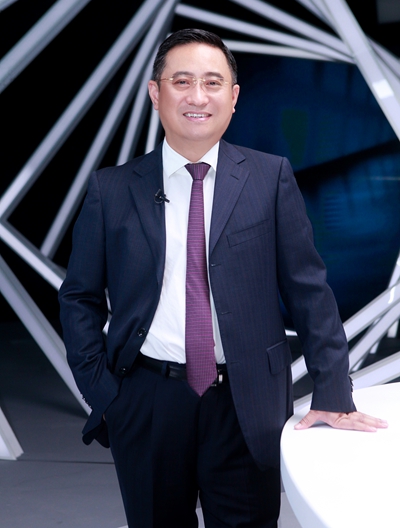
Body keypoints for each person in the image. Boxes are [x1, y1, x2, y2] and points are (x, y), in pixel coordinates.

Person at [59, 28, 387, 528]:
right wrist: (102, 392)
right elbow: (79, 296)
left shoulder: (269, 177)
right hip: (146, 401)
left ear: (233, 98)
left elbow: (309, 292)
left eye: (212, 83)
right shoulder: (112, 188)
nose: (197, 96)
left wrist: (333, 392)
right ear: (156, 93)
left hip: (247, 400)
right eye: (181, 81)